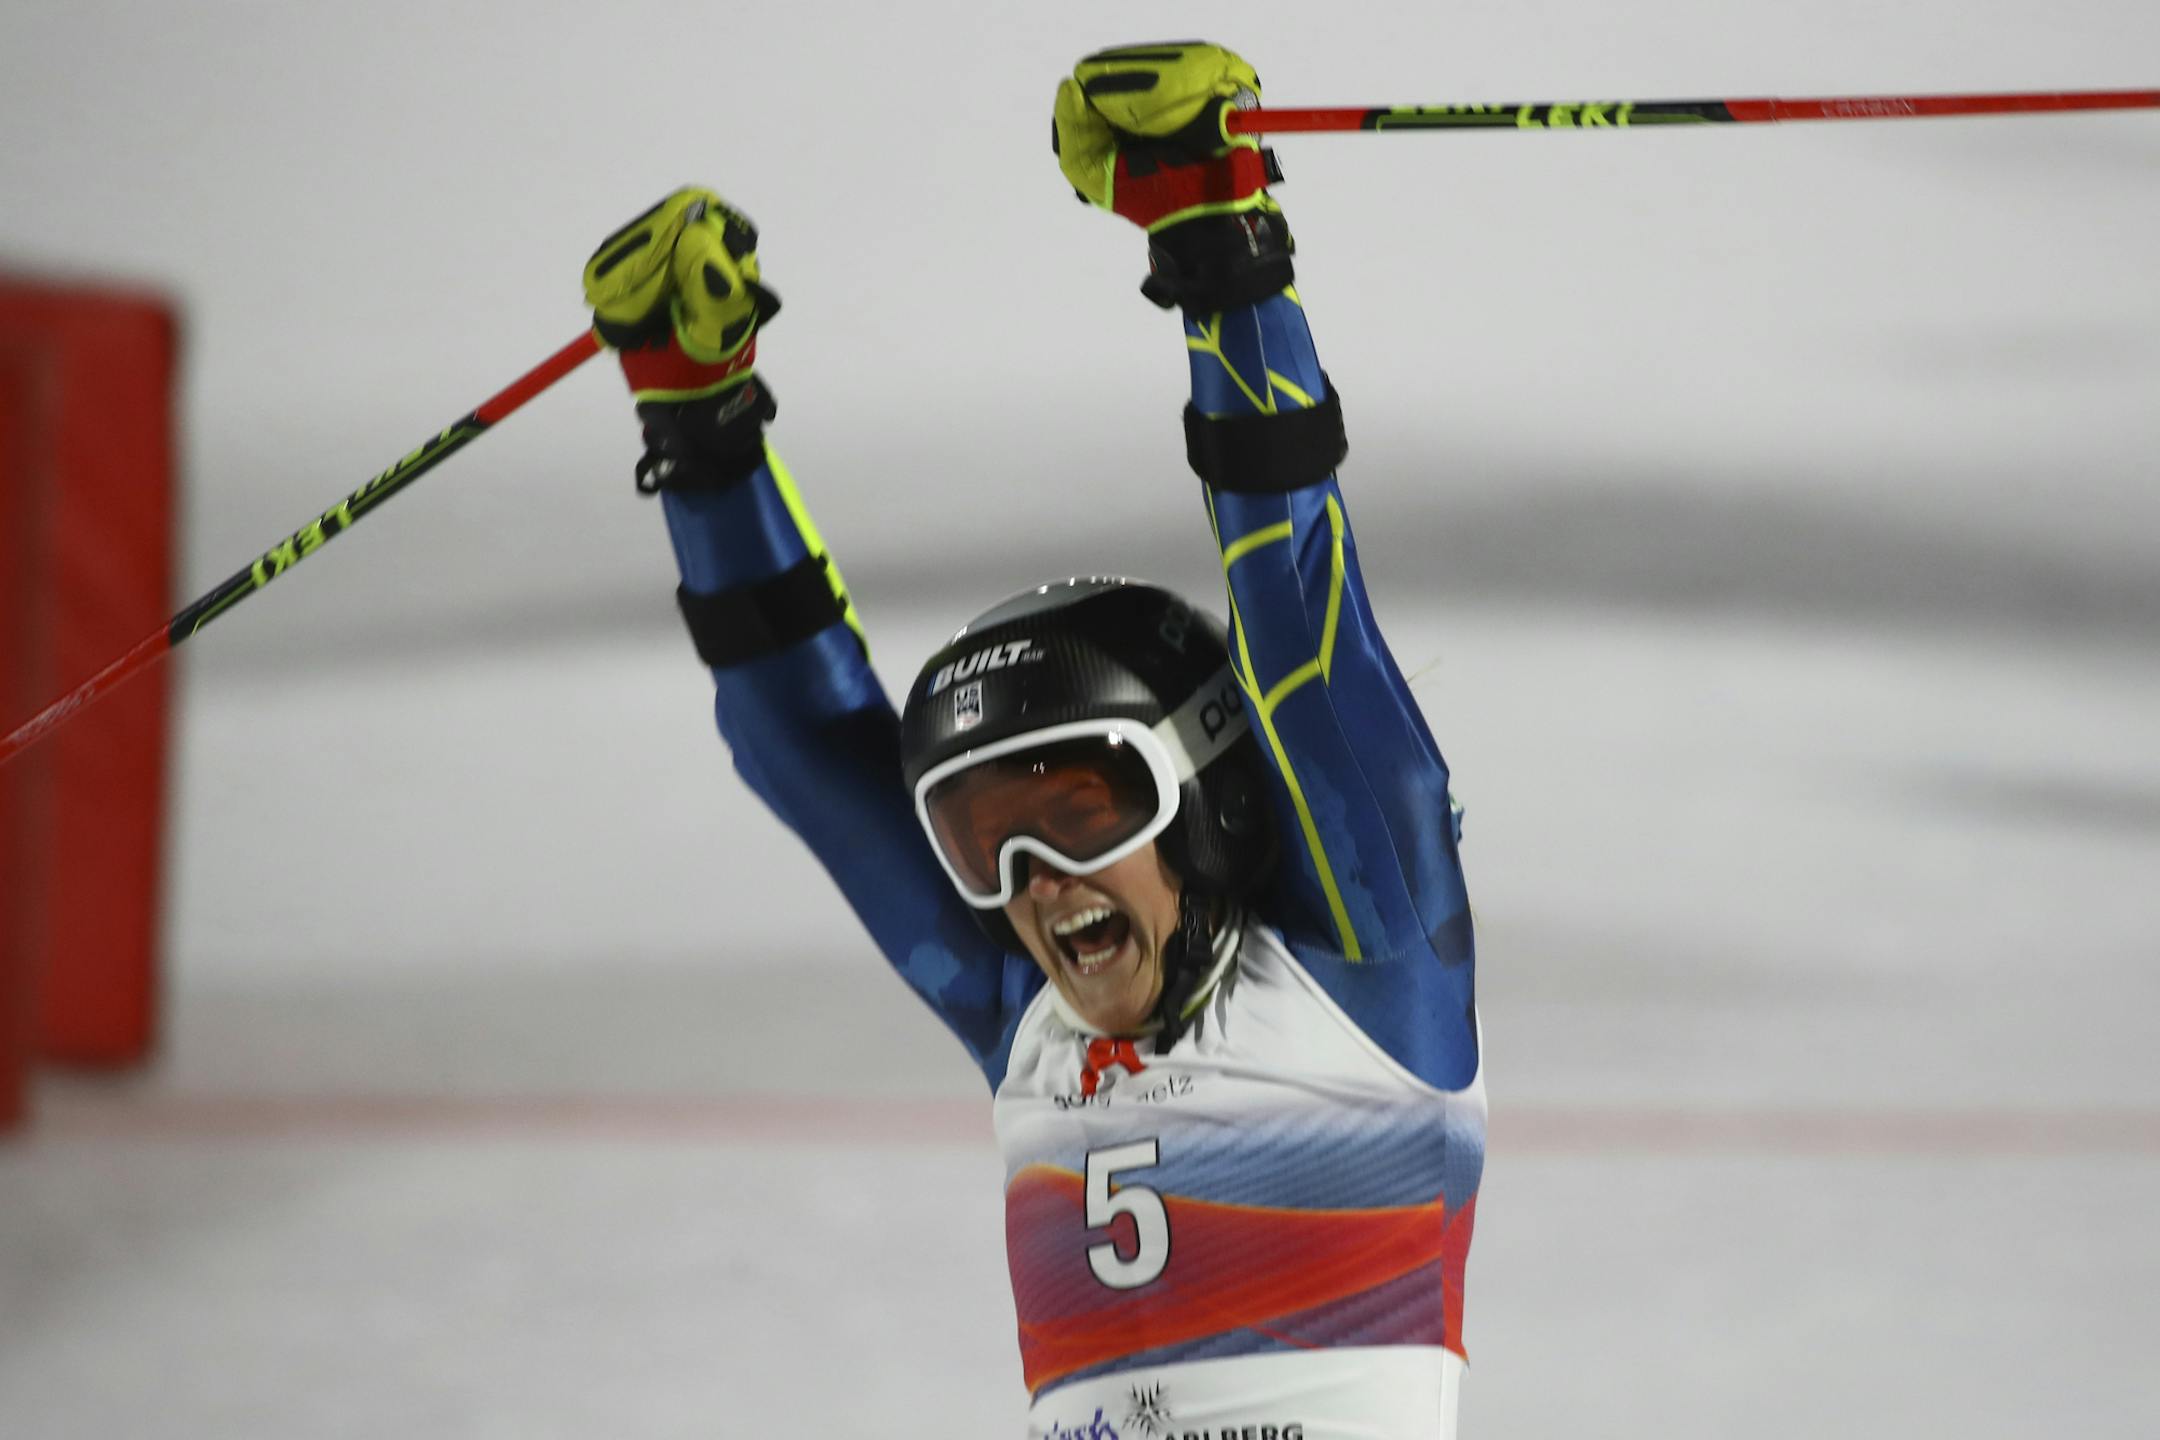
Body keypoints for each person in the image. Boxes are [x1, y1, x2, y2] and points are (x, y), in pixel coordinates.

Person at [582, 41, 1486, 1440]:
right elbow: (803, 743)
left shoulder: (1371, 971)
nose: (1033, 882)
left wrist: (1217, 242)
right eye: (978, 837)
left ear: (1203, 800)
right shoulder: (1030, 1013)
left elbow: (1301, 633)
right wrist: (701, 428)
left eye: (1077, 811)